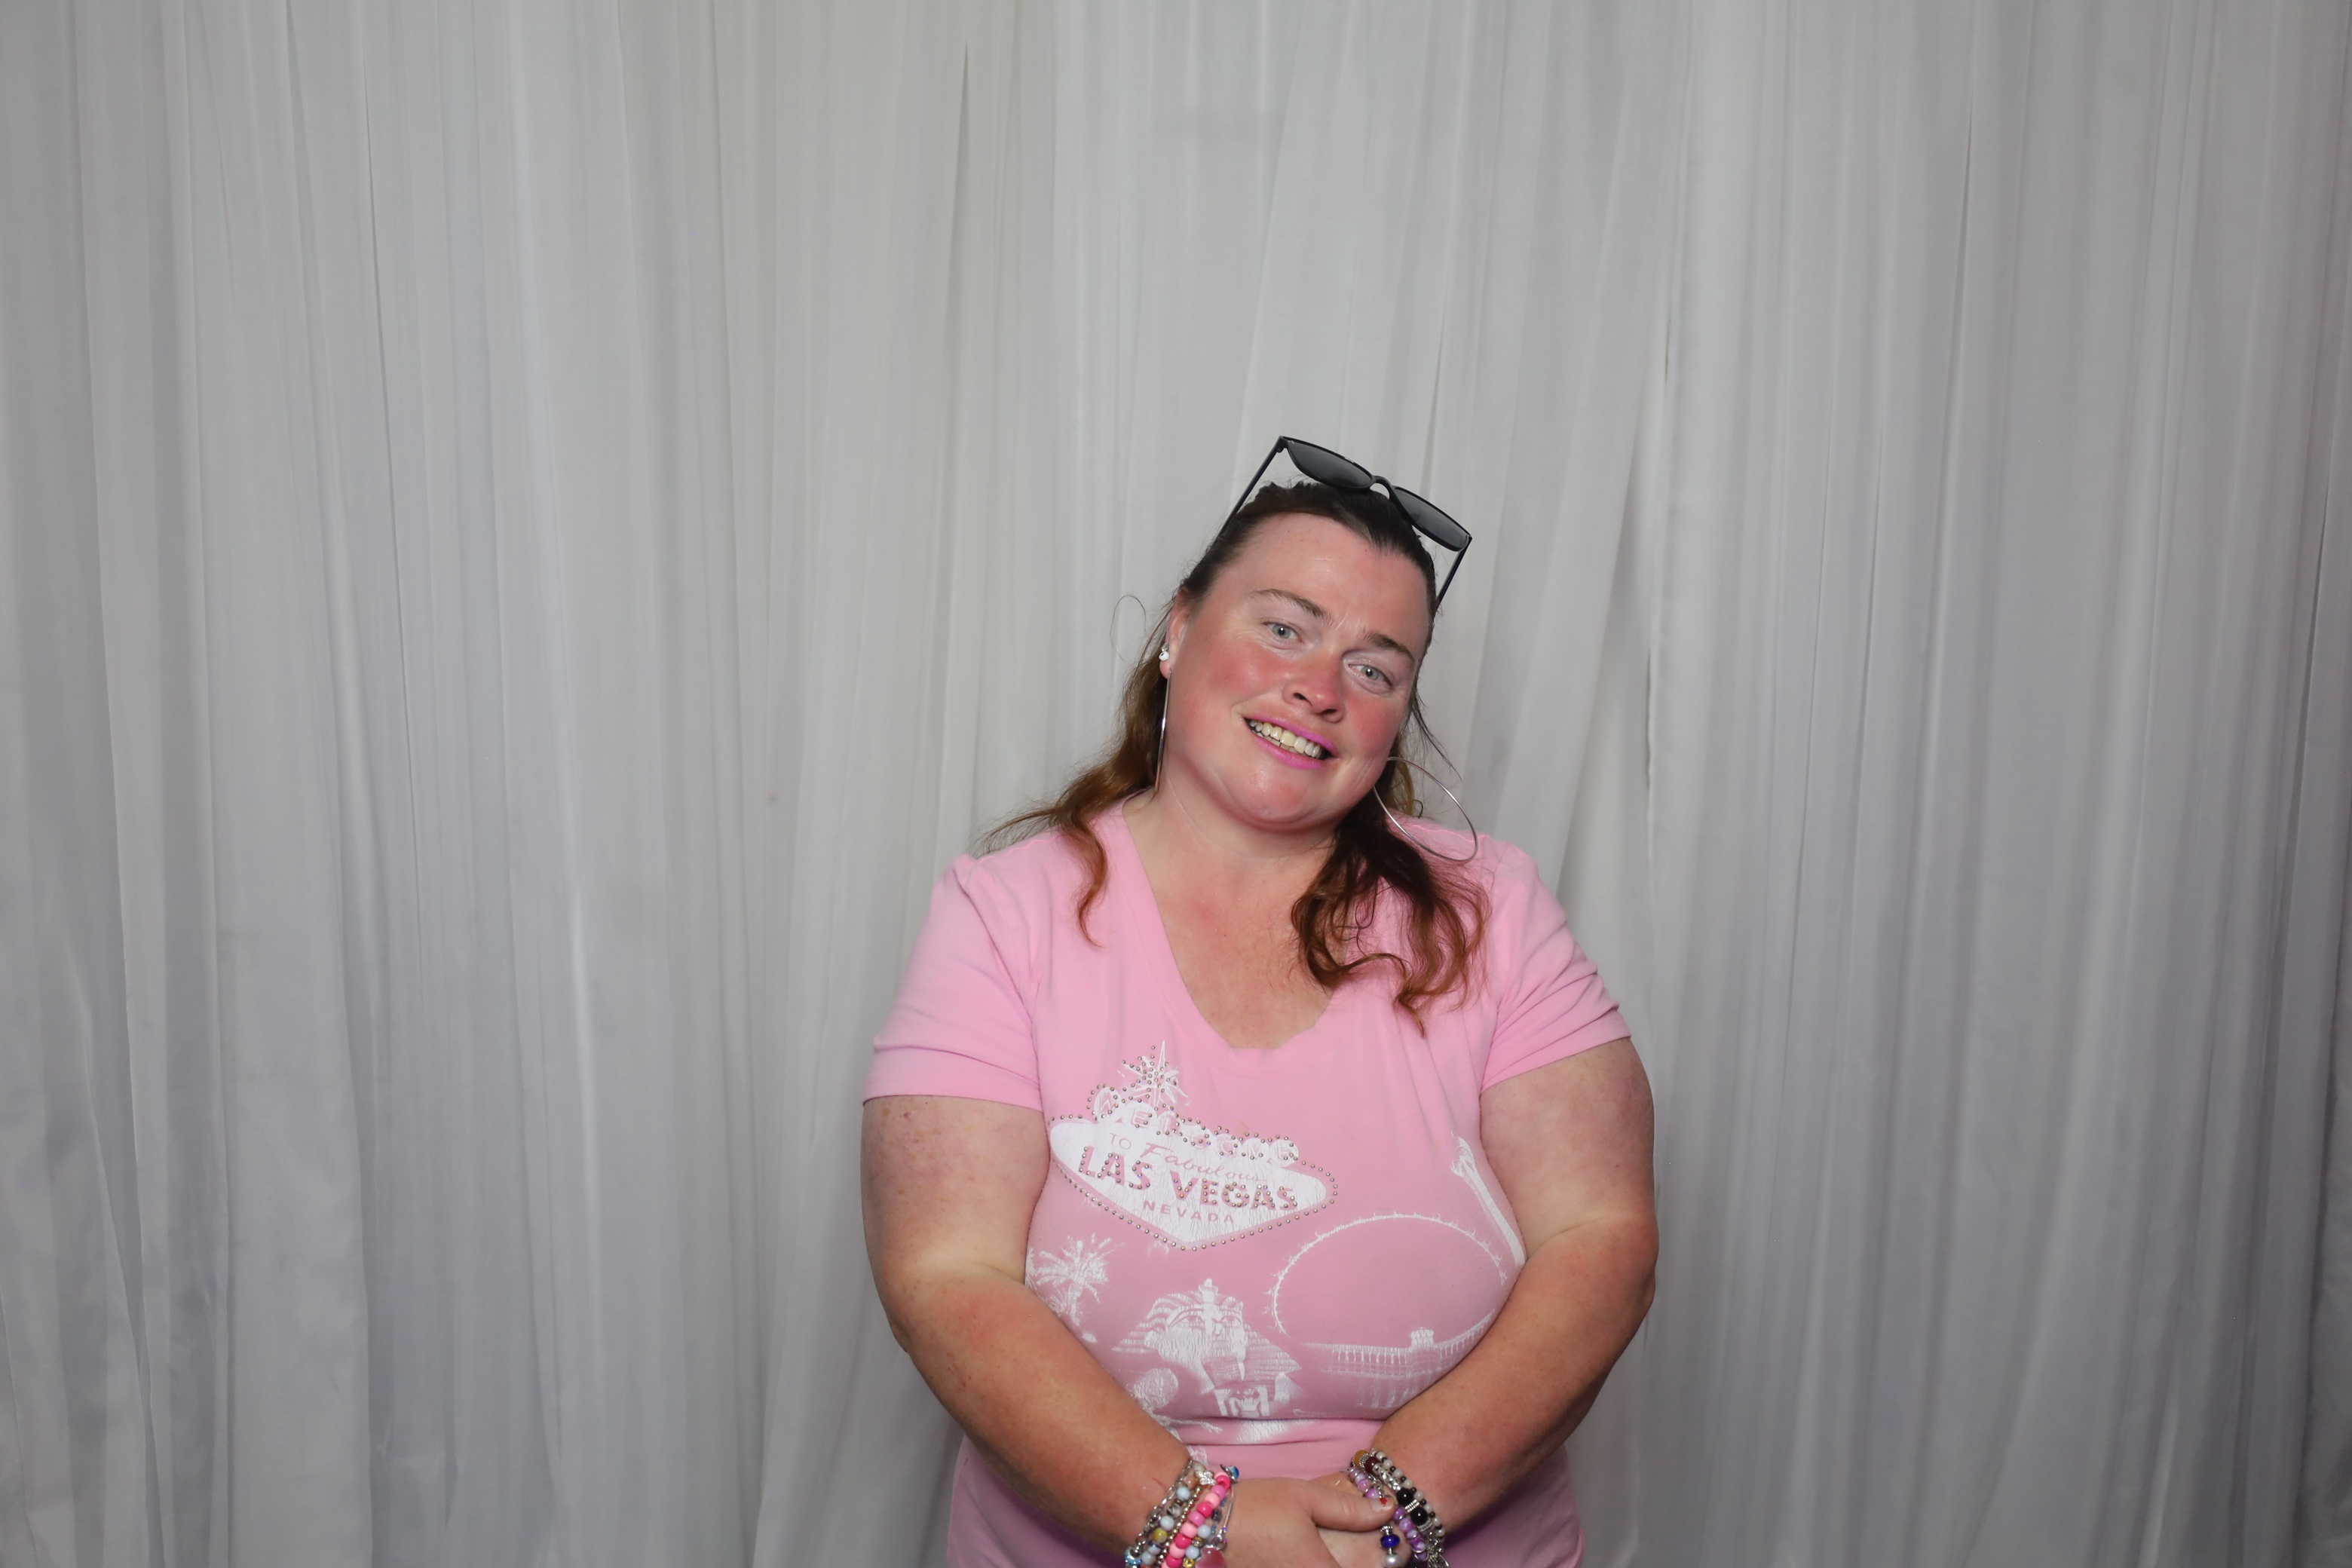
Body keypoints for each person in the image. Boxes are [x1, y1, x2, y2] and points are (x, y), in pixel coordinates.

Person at [862, 441, 1656, 1568]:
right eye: (1285, 628)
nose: (1321, 687)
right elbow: (947, 1277)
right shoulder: (1001, 914)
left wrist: (1383, 1520)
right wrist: (1203, 1528)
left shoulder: (1496, 909)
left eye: (1376, 669)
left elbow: (1601, 1239)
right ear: (1179, 630)